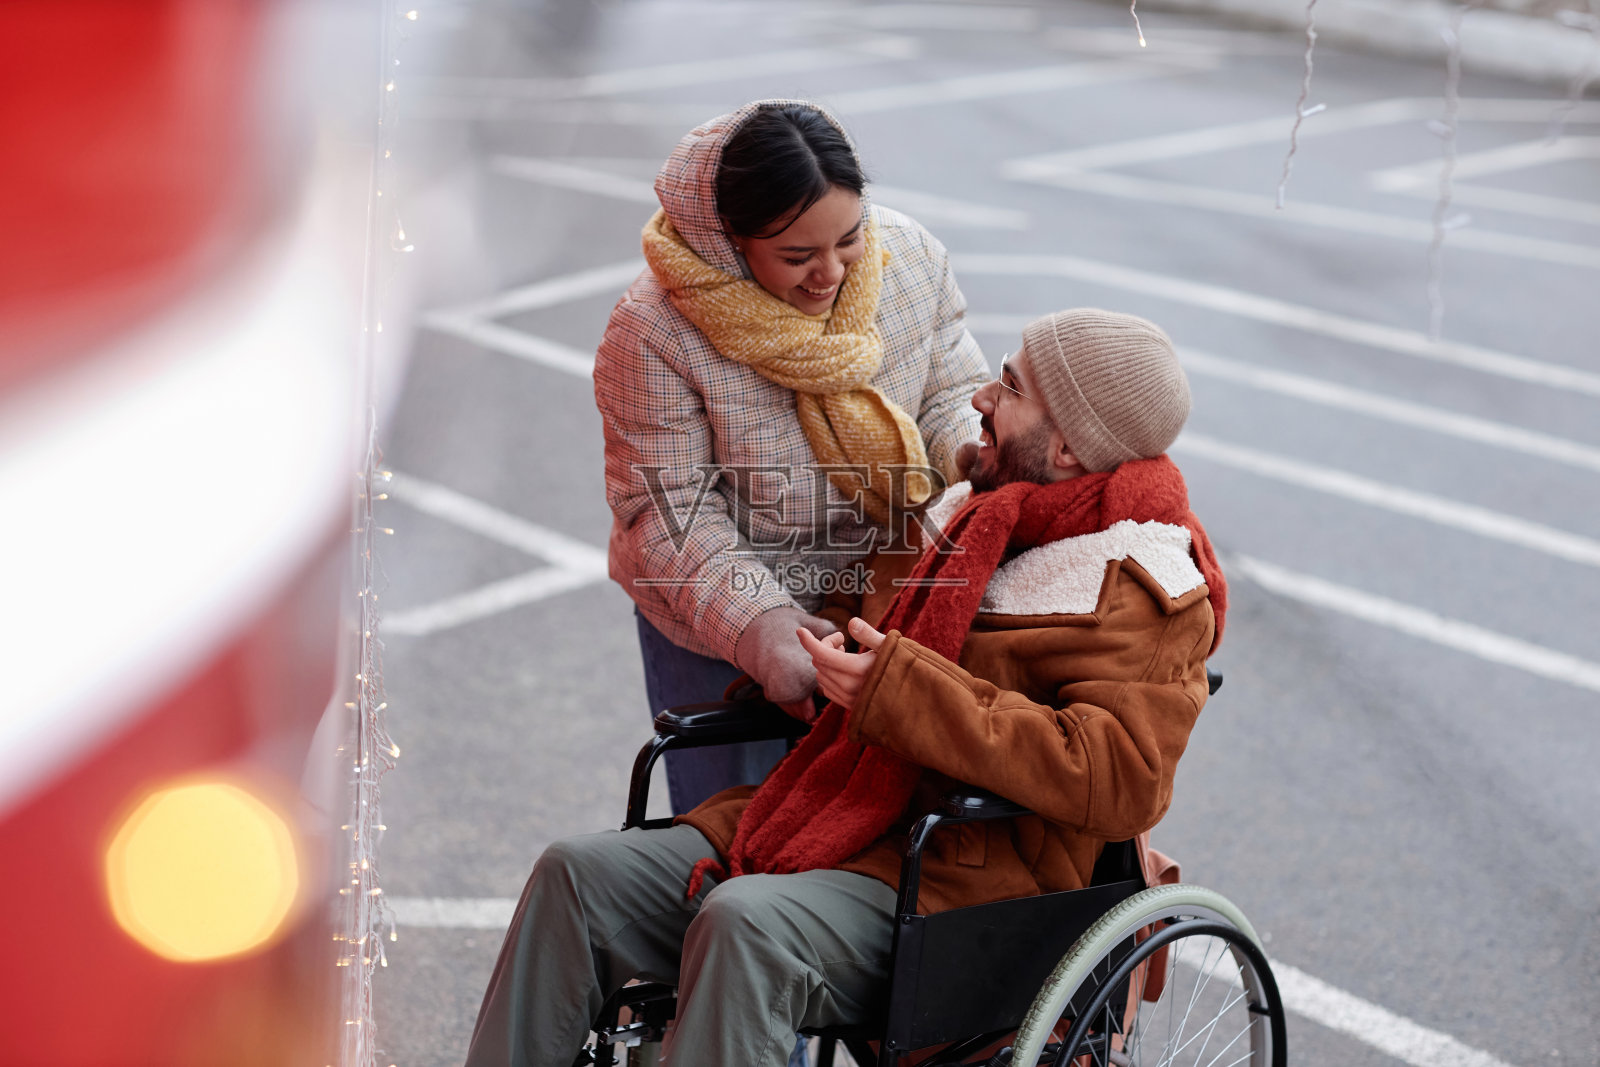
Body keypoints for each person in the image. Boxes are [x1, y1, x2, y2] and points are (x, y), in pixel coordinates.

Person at [466, 308, 1228, 1067]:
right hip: (836, 810)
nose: (982, 403)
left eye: (1010, 386)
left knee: (745, 923)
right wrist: (824, 642)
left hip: (966, 883)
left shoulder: (1144, 586)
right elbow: (871, 614)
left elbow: (1119, 775)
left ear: (1065, 446)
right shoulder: (965, 513)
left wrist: (898, 691)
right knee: (577, 875)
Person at [594, 99, 989, 817]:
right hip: (723, 630)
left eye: (848, 240)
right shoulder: (653, 328)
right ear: (726, 243)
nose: (829, 273)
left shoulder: (911, 258)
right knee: (732, 832)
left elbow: (952, 390)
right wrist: (762, 625)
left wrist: (974, 459)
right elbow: (665, 508)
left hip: (884, 600)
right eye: (797, 257)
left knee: (868, 839)